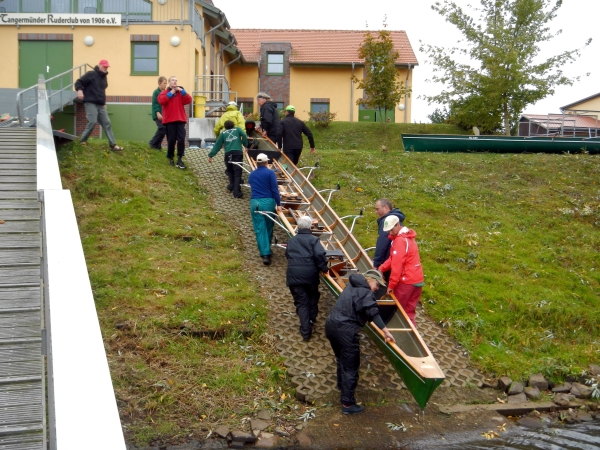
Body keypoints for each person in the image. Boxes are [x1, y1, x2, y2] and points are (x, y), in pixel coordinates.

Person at [325, 270, 395, 415]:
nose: (377, 288)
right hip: (346, 330)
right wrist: (386, 331)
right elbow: (372, 312)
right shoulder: (365, 292)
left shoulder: (351, 286)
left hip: (331, 326)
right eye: (377, 284)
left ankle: (341, 387)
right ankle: (348, 404)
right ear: (370, 280)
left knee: (341, 359)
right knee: (351, 367)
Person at [285, 215, 329, 341]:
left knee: (301, 302)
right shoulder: (314, 240)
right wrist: (324, 268)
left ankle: (305, 331)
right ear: (310, 226)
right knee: (313, 296)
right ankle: (311, 320)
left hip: (293, 275)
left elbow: (287, 254)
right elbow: (320, 254)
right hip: (310, 275)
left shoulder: (291, 241)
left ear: (298, 226)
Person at [378, 215, 424, 327]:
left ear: (398, 225)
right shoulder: (408, 237)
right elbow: (394, 258)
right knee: (409, 310)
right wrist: (381, 268)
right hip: (417, 280)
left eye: (392, 229)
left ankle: (389, 330)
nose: (390, 233)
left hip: (406, 282)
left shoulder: (399, 241)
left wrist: (391, 285)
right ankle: (412, 334)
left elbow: (397, 266)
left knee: (397, 309)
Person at [75, 59, 123, 151]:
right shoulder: (91, 74)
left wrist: (104, 103)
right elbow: (79, 82)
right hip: (90, 102)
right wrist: (80, 91)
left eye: (107, 67)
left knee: (107, 123)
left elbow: (102, 91)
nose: (105, 68)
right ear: (99, 65)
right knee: (92, 121)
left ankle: (113, 145)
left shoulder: (104, 78)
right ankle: (82, 140)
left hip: (100, 104)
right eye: (104, 66)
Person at [248, 153, 281, 265]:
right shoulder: (270, 173)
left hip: (255, 202)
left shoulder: (251, 174)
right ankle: (267, 252)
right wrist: (279, 203)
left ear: (257, 163)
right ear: (267, 162)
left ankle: (265, 253)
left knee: (259, 228)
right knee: (268, 227)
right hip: (268, 202)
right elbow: (274, 189)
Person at [158, 76, 192, 169]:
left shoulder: (180, 93)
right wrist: (171, 93)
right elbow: (162, 101)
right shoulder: (164, 93)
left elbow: (188, 100)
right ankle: (171, 157)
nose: (175, 82)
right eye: (173, 80)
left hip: (180, 120)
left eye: (176, 80)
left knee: (181, 139)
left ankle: (180, 158)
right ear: (169, 82)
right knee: (171, 140)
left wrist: (182, 91)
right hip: (169, 121)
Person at [208, 120, 248, 199]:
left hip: (228, 154)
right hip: (238, 153)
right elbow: (244, 134)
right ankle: (237, 193)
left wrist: (211, 155)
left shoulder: (223, 133)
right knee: (237, 173)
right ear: (233, 125)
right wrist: (245, 144)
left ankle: (232, 186)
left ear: (225, 126)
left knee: (230, 171)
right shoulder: (238, 129)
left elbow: (217, 145)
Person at [373, 199, 406, 273]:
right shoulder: (397, 219)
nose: (376, 212)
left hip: (389, 262)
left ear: (386, 208)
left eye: (378, 209)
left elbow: (382, 243)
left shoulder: (387, 221)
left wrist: (376, 264)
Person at [149, 76, 167, 150]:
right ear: (159, 83)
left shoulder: (165, 93)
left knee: (164, 129)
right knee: (162, 128)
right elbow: (155, 103)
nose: (165, 85)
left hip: (164, 115)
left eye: (166, 83)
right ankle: (152, 143)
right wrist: (157, 113)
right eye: (164, 83)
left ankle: (158, 146)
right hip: (158, 114)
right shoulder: (156, 92)